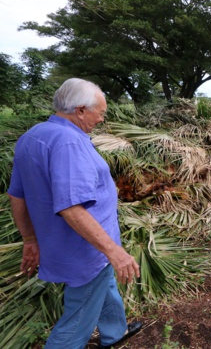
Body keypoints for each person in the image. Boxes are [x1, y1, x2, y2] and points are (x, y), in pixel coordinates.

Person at [8, 78, 142, 349]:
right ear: (80, 110)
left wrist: (30, 239)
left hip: (67, 245)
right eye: (100, 113)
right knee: (78, 317)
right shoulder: (69, 142)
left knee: (106, 288)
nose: (102, 119)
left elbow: (16, 195)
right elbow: (71, 208)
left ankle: (115, 333)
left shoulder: (33, 135)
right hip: (85, 249)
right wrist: (113, 252)